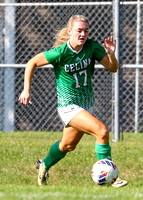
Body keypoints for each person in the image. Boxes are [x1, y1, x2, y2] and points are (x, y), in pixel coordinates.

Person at [19, 15, 127, 188]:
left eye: (86, 30)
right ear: (70, 31)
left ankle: (44, 164)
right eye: (79, 30)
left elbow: (112, 68)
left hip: (85, 104)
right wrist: (26, 89)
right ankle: (111, 176)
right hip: (68, 106)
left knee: (67, 146)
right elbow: (32, 62)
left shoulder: (92, 47)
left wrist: (111, 55)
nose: (83, 34)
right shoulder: (61, 52)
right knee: (102, 131)